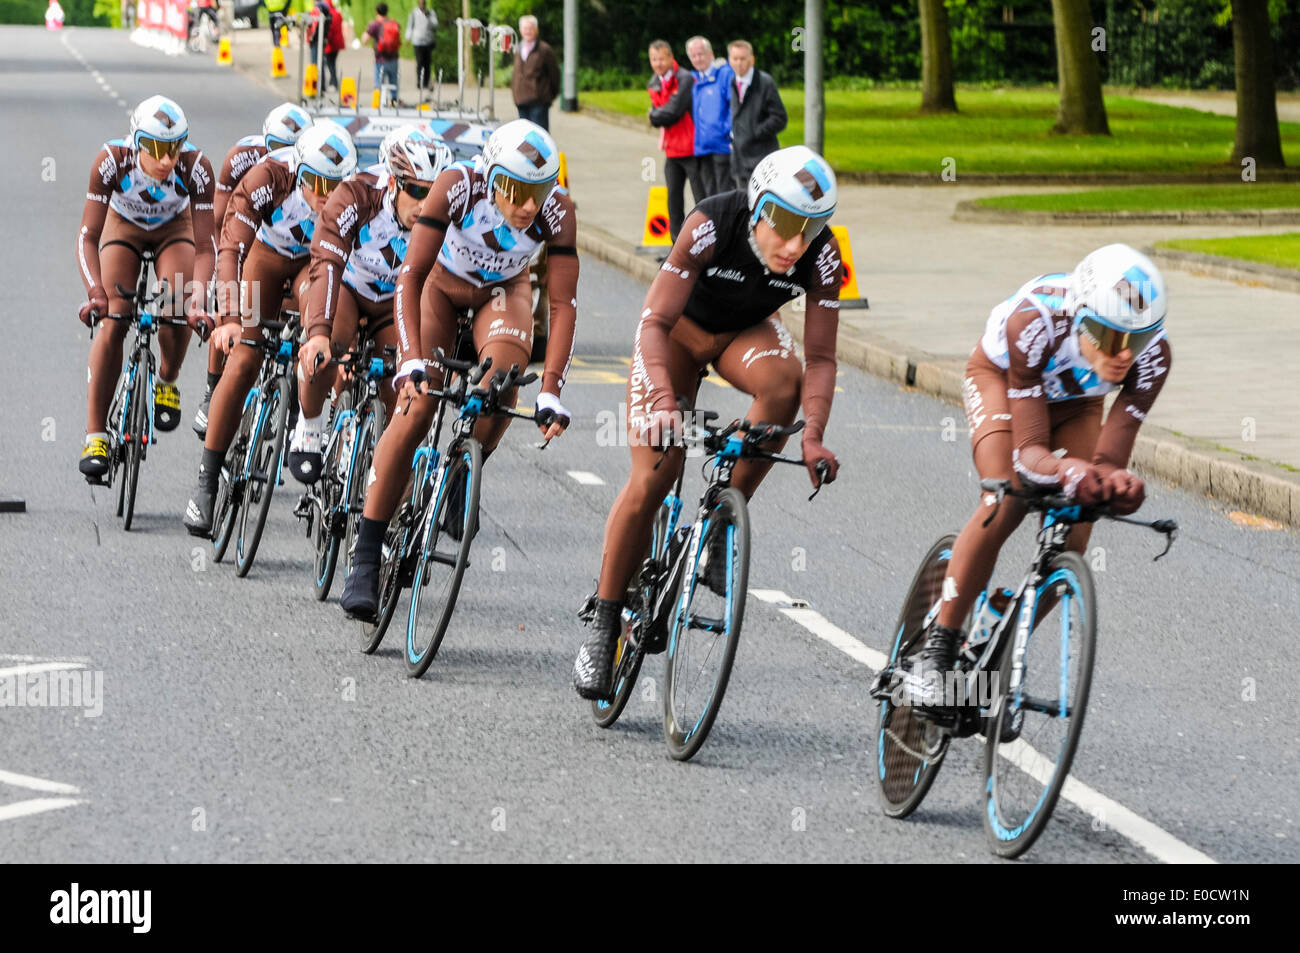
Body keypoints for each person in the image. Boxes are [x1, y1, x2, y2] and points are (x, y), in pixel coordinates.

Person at [572, 145, 843, 701]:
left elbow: (820, 361)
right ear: (759, 206)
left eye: (812, 229)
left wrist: (813, 434)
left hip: (739, 338)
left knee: (786, 382)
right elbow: (653, 320)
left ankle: (721, 518)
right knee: (654, 475)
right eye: (786, 224)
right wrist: (667, 402)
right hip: (674, 337)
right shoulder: (712, 223)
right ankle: (604, 624)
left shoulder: (822, 258)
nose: (796, 244)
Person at [901, 244, 1172, 717]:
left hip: (1077, 402)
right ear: (1081, 316)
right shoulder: (1034, 321)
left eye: (1140, 339)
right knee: (1007, 497)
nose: (1124, 354)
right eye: (1109, 336)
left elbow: (1109, 459)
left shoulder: (1153, 357)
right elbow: (1029, 454)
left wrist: (1118, 485)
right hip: (1003, 381)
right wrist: (1066, 469)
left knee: (1080, 523)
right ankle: (936, 651)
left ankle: (1003, 636)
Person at [338, 119, 580, 621]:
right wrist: (409, 360)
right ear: (491, 178)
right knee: (419, 405)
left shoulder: (557, 212)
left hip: (502, 294)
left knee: (501, 389)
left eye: (540, 190)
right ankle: (365, 555)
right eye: (516, 190)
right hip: (440, 288)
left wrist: (552, 389)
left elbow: (564, 304)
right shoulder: (458, 187)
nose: (530, 205)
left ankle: (459, 475)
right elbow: (410, 276)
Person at [183, 125, 358, 536]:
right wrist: (228, 318)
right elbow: (231, 249)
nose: (325, 195)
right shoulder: (268, 178)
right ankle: (207, 480)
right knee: (244, 357)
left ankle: (309, 418)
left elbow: (358, 272)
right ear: (299, 171)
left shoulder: (351, 202)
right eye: (315, 182)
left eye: (335, 185)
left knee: (321, 324)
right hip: (264, 258)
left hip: (311, 269)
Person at [288, 127, 453, 483]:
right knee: (325, 347)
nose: (426, 204)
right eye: (415, 190)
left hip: (396, 301)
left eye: (433, 193)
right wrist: (317, 332)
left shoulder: (447, 215)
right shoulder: (357, 195)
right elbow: (326, 263)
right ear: (393, 183)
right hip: (349, 286)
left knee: (404, 389)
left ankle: (378, 463)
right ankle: (310, 423)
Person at [75, 96, 216, 480]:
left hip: (175, 229)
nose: (167, 160)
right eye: (155, 150)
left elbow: (206, 247)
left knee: (177, 302)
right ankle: (96, 435)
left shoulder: (196, 167)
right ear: (136, 142)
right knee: (115, 319)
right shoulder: (112, 161)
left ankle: (167, 379)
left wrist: (199, 300)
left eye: (174, 148)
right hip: (125, 228)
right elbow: (87, 237)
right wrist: (95, 293)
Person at [194, 103, 314, 439]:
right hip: (251, 237)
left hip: (301, 256)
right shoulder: (244, 159)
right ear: (265, 143)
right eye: (277, 148)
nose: (285, 158)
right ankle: (212, 387)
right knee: (230, 297)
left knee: (301, 315)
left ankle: (293, 400)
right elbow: (219, 222)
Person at [647, 40, 704, 244]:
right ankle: (676, 246)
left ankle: (705, 243)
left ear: (671, 58)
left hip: (692, 149)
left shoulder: (685, 78)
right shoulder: (654, 82)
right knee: (673, 201)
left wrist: (653, 115)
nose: (658, 63)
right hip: (671, 151)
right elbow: (664, 112)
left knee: (701, 200)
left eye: (661, 58)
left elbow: (673, 111)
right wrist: (658, 114)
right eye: (653, 59)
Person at [727, 39, 787, 191]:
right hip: (739, 160)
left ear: (751, 60)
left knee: (762, 208)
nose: (739, 63)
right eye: (735, 59)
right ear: (730, 60)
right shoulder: (732, 82)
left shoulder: (764, 82)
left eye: (743, 58)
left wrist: (755, 132)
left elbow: (780, 118)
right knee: (743, 208)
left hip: (761, 159)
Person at [685, 36, 733, 199]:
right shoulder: (693, 79)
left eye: (701, 54)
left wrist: (726, 131)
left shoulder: (724, 74)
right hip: (702, 147)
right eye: (694, 56)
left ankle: (727, 225)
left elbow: (734, 106)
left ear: (710, 54)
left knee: (724, 192)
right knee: (709, 194)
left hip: (722, 145)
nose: (698, 59)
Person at [511, 15, 560, 131]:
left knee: (539, 137)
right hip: (521, 101)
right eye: (525, 28)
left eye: (530, 28)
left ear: (536, 30)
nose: (527, 31)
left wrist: (550, 95)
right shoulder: (518, 49)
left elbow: (555, 74)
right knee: (524, 139)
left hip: (539, 103)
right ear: (520, 30)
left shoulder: (544, 49)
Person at [362, 3, 402, 106]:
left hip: (380, 60)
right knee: (394, 83)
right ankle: (394, 104)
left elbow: (364, 40)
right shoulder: (394, 23)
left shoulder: (375, 25)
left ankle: (377, 104)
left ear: (376, 11)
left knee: (378, 84)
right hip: (394, 59)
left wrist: (368, 28)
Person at [407, 0, 438, 93]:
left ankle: (426, 81)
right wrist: (408, 37)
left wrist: (428, 17)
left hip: (428, 41)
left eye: (423, 3)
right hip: (417, 41)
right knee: (419, 62)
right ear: (418, 4)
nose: (422, 5)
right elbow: (410, 25)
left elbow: (435, 25)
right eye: (420, 3)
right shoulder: (414, 13)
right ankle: (419, 81)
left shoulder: (431, 13)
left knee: (427, 62)